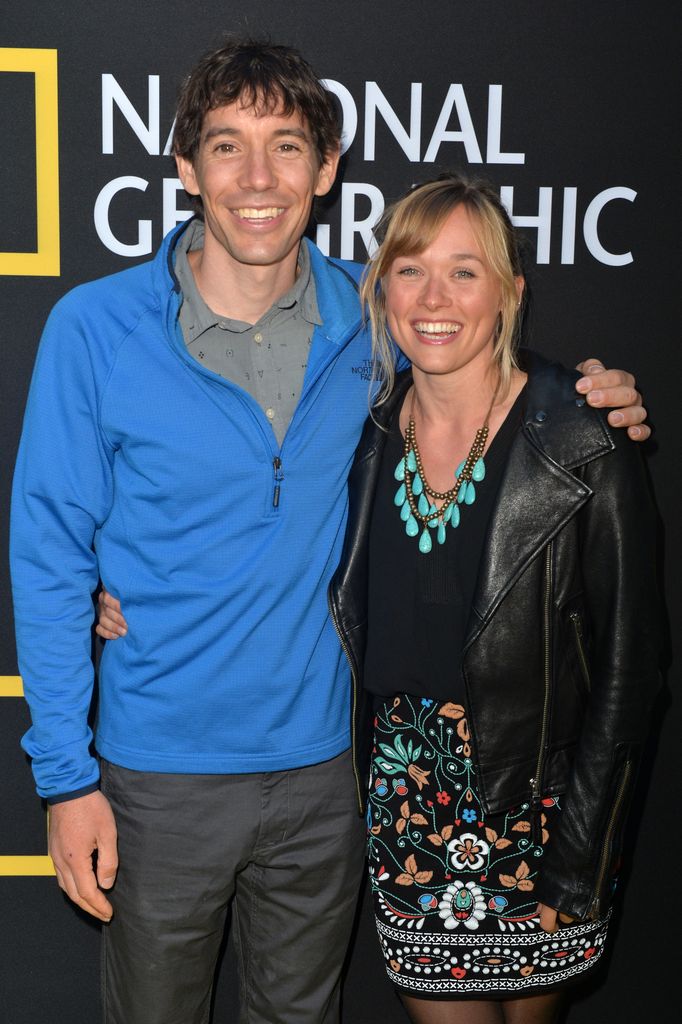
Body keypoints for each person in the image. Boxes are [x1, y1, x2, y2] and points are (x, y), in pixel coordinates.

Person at [11, 37, 647, 1024]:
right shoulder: (92, 330)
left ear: (326, 168)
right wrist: (66, 777)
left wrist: (592, 399)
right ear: (185, 169)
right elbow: (48, 555)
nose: (257, 179)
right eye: (226, 147)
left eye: (286, 146)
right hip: (159, 777)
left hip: (330, 778)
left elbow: (482, 358)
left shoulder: (375, 317)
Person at [326, 175, 660, 1023]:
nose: (434, 298)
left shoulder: (585, 440)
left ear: (511, 293)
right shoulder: (363, 433)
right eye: (410, 269)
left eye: (465, 272)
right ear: (380, 286)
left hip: (544, 799)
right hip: (406, 797)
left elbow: (631, 669)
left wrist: (581, 852)